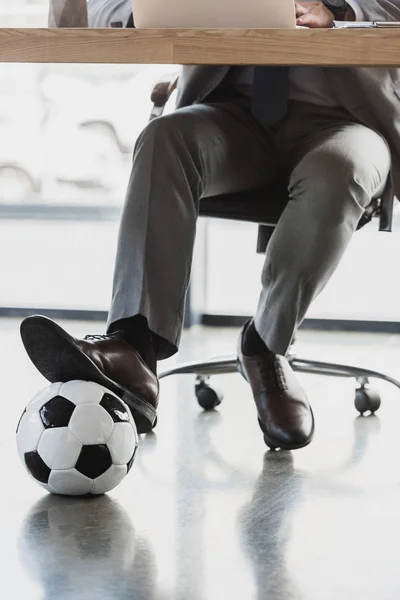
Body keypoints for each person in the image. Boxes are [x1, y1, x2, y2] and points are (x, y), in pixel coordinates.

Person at [22, 0, 399, 450]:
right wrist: (151, 11)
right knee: (165, 138)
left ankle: (264, 342)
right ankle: (133, 348)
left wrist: (338, 10)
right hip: (233, 116)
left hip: (347, 121)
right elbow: (108, 13)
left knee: (340, 169)